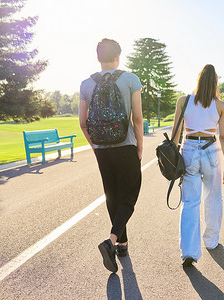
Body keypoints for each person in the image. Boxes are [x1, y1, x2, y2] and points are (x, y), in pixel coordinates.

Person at [79, 38, 144, 272]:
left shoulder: (86, 84)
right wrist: (139, 145)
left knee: (112, 196)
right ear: (118, 56)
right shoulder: (130, 79)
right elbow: (137, 118)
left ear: (98, 58)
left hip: (102, 150)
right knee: (129, 196)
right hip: (125, 146)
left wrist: (95, 146)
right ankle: (112, 241)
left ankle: (122, 244)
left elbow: (82, 122)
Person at [172, 64, 224, 267]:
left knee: (190, 201)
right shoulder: (220, 105)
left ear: (198, 80)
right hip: (210, 150)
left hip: (189, 149)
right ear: (215, 82)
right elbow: (223, 137)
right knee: (214, 197)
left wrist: (171, 160)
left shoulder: (183, 101)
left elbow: (175, 135)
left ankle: (189, 251)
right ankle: (211, 241)